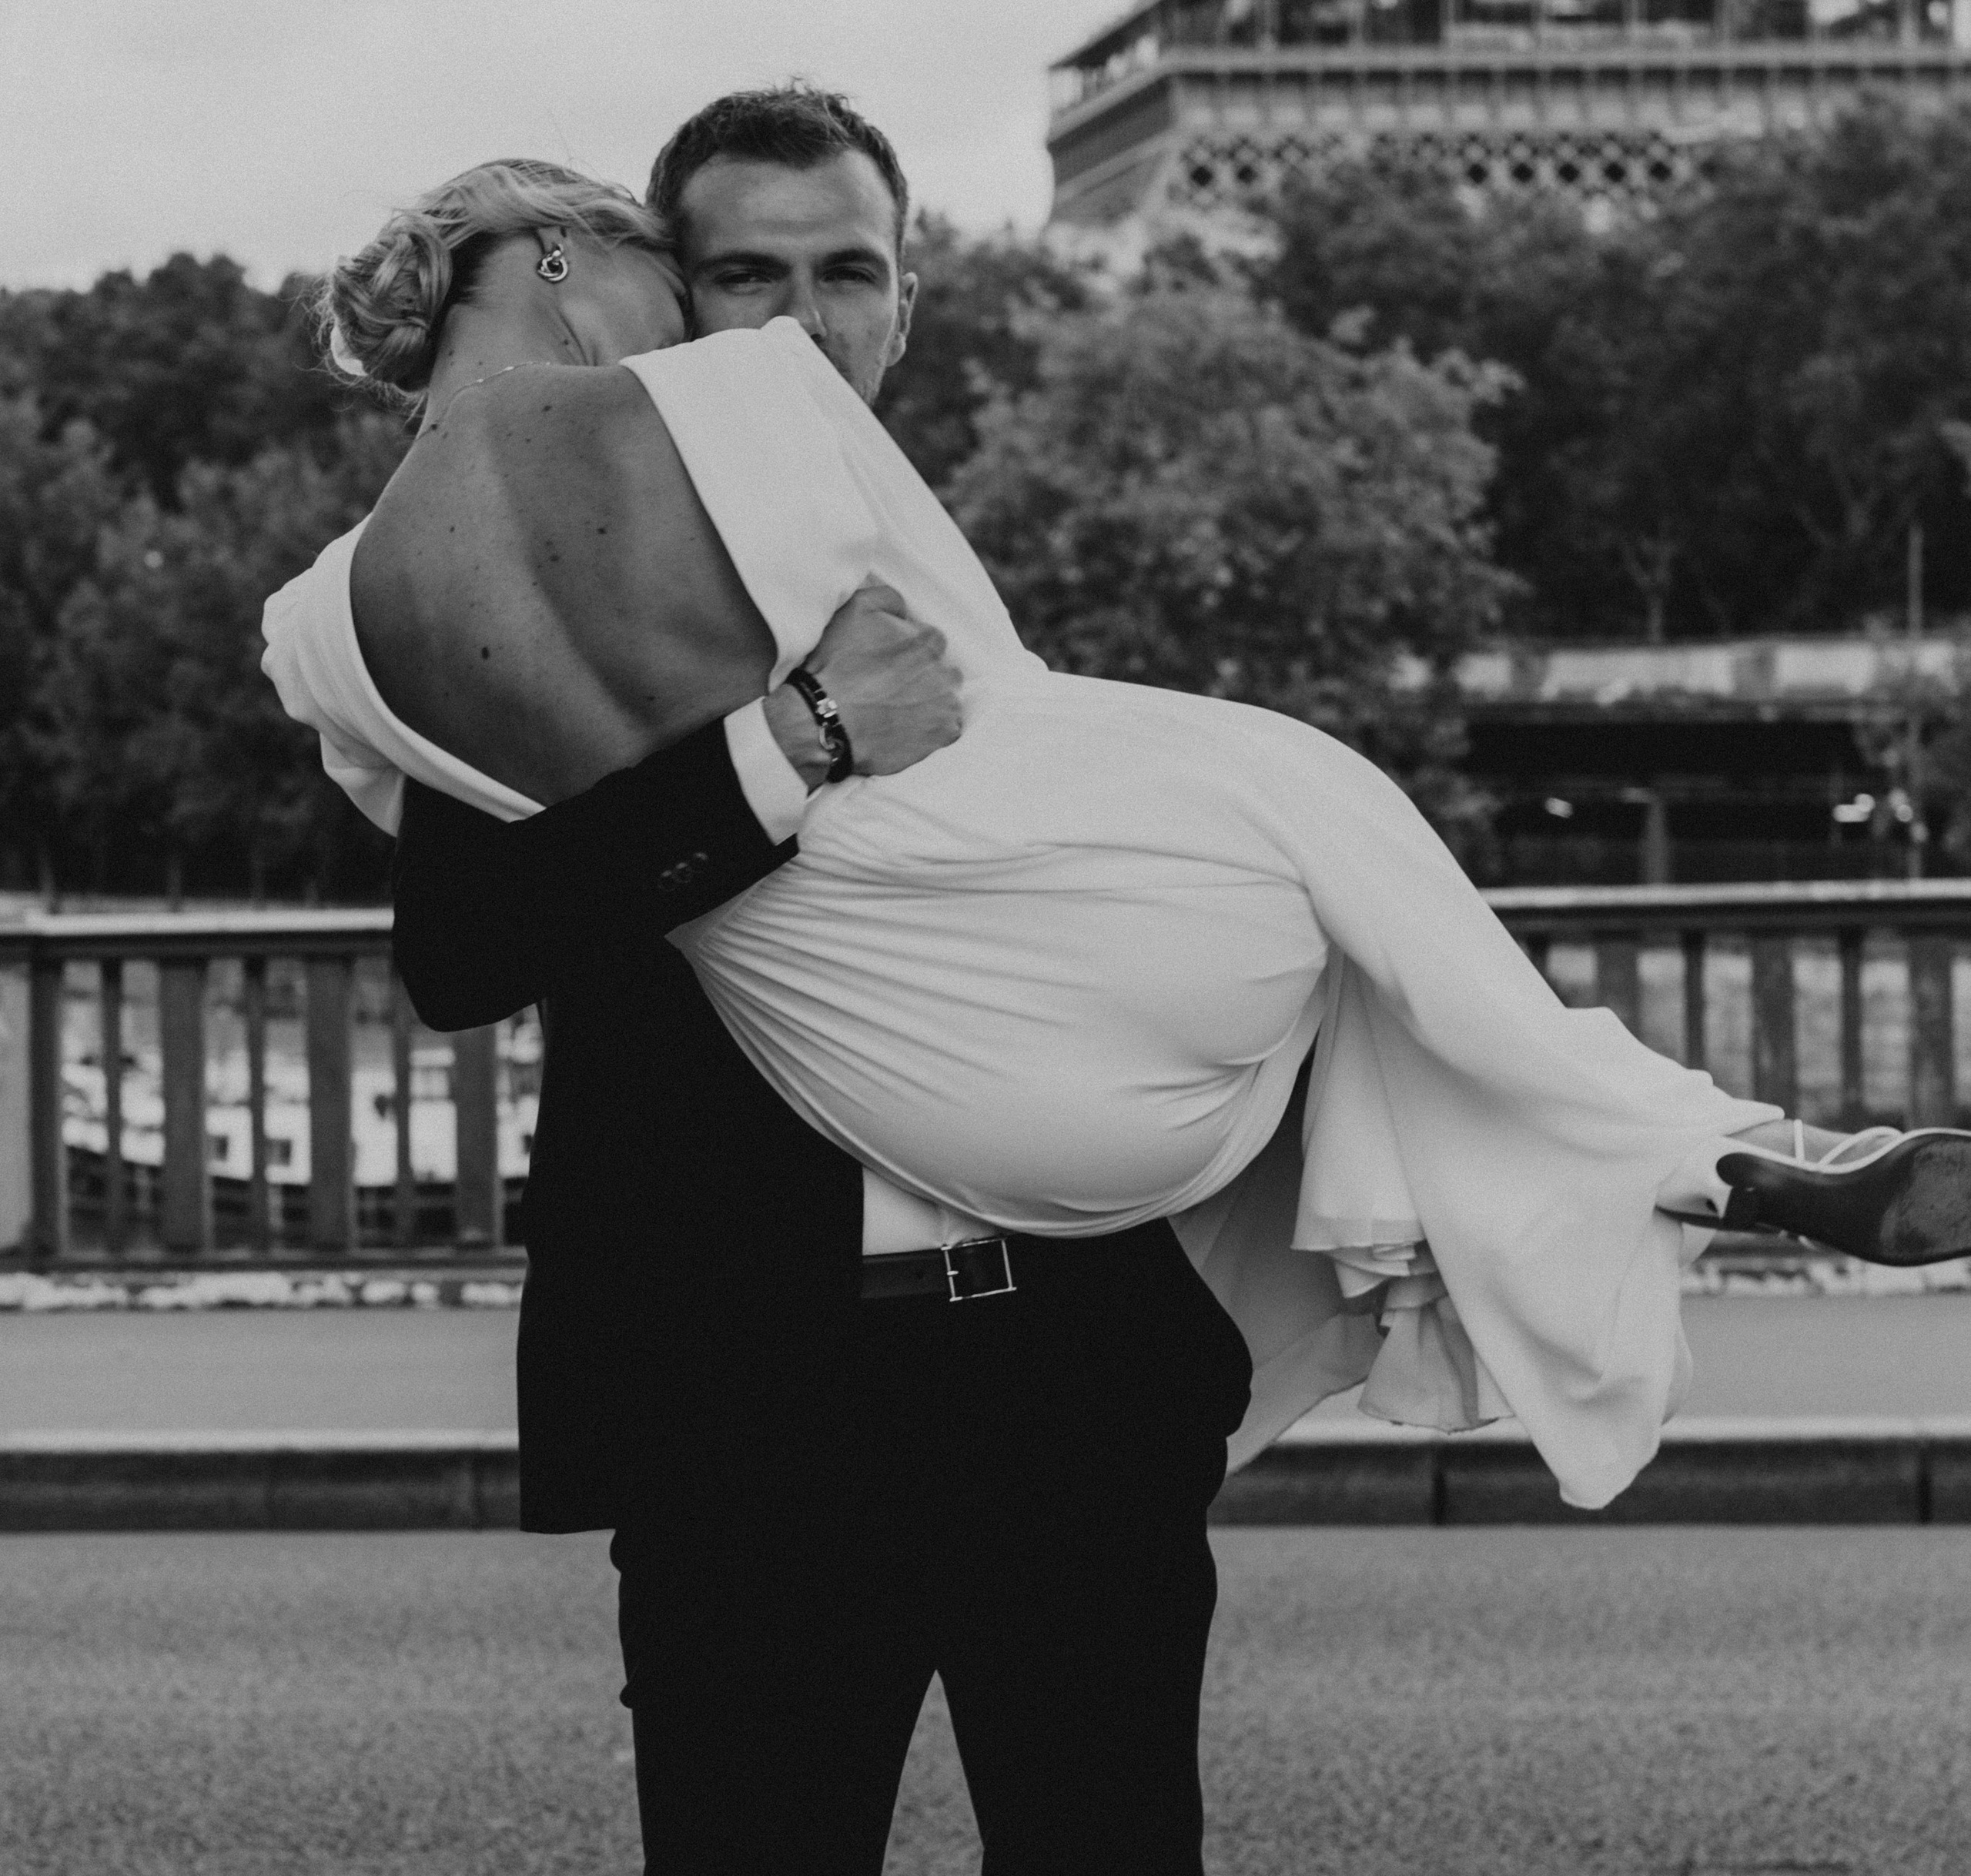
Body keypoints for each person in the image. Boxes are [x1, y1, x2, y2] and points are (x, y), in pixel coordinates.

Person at [266, 102, 1971, 1874]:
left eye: (845, 271)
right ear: (679, 312)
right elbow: (460, 953)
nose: (797, 320)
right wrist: (789, 749)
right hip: (752, 1410)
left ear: (910, 300)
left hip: (1061, 1382)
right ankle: (1693, 1143)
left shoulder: (950, 558)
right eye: (741, 275)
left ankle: (1702, 1147)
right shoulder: (523, 604)